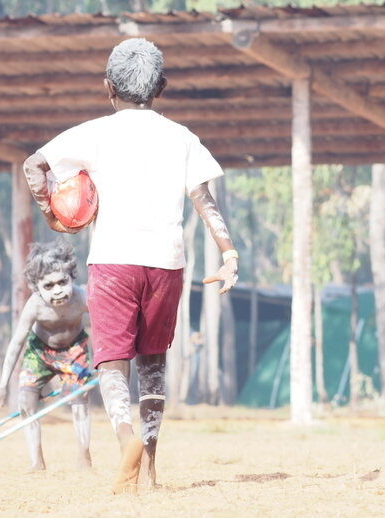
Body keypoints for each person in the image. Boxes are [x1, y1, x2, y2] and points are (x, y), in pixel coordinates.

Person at [22, 37, 239, 493]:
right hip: (165, 264)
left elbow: (33, 167)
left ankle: (126, 442)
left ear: (108, 88)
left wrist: (55, 218)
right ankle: (153, 469)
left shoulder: (95, 132)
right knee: (153, 362)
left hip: (113, 262)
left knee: (112, 363)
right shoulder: (181, 136)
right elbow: (204, 198)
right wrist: (229, 253)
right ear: (161, 86)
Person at [0, 239, 93, 472]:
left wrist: (106, 363)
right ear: (37, 287)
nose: (58, 291)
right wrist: (3, 385)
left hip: (74, 350)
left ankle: (84, 457)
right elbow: (16, 343)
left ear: (72, 277)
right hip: (40, 351)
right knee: (26, 400)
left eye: (62, 282)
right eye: (49, 286)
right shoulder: (34, 305)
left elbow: (106, 327)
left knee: (79, 399)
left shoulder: (83, 298)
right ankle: (37, 462)